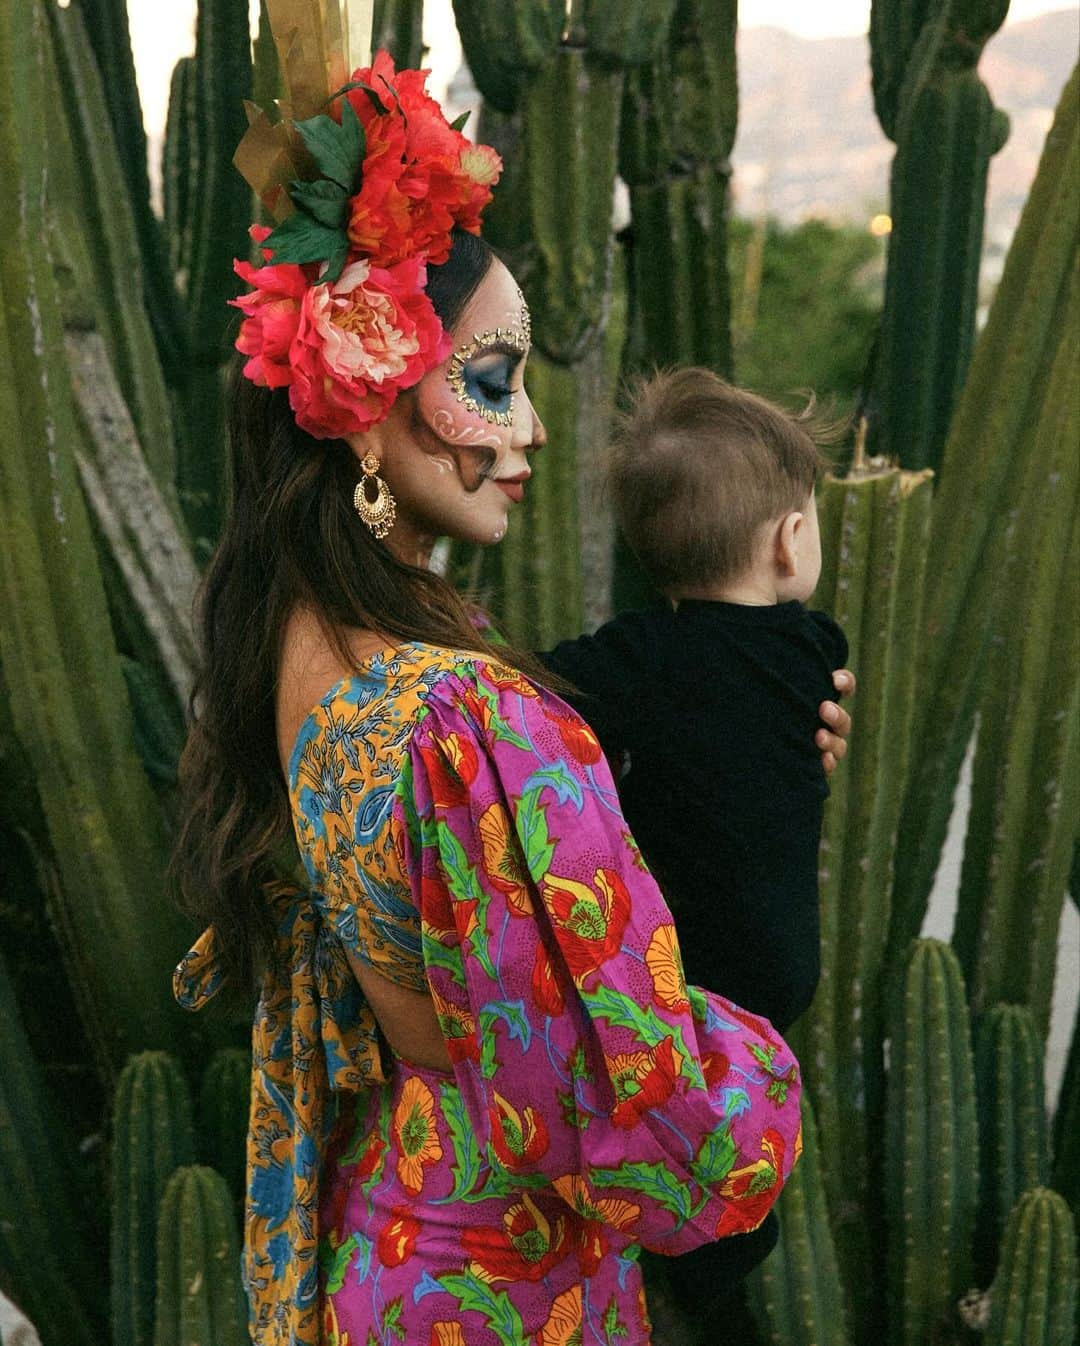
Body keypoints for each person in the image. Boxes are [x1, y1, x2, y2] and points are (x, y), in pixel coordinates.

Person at [171, 50, 851, 1346]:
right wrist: (766, 1071)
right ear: (365, 402)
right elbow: (640, 1111)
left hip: (384, 1235)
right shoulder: (467, 721)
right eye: (491, 379)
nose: (531, 430)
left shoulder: (300, 658)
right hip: (507, 1287)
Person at [540, 368, 850, 1324]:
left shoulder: (639, 656)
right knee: (738, 1124)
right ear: (791, 541)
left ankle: (685, 1253)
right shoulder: (812, 648)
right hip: (780, 959)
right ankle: (718, 1254)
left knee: (675, 1112)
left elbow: (534, 692)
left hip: (681, 964)